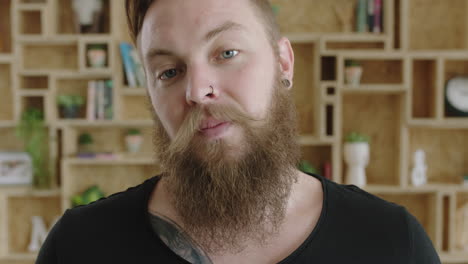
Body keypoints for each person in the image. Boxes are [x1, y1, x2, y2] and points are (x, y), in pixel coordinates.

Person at [36, 0, 441, 263]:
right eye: (169, 71)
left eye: (226, 53)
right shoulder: (78, 248)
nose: (197, 91)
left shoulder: (393, 245)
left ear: (283, 63)